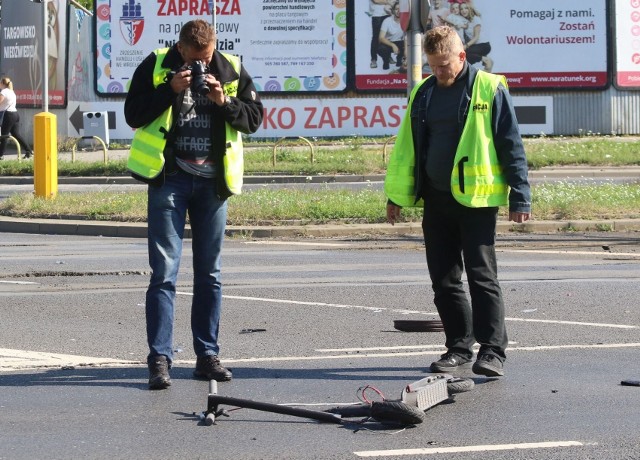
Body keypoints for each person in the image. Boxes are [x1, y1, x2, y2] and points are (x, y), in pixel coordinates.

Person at [384, 25, 531, 377]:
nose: (439, 72)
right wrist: (395, 196)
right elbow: (408, 148)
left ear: (462, 56)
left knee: (482, 277)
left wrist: (520, 197)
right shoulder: (423, 92)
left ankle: (492, 351)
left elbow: (511, 144)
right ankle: (458, 348)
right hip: (437, 199)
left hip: (477, 201)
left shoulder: (489, 88)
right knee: (444, 280)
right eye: (433, 66)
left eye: (444, 65)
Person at [124, 19, 263, 390]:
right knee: (164, 274)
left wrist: (223, 101)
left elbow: (254, 120)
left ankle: (207, 355)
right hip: (170, 179)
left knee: (210, 274)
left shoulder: (230, 67)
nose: (204, 63)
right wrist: (170, 89)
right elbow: (133, 115)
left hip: (212, 184)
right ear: (181, 48)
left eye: (208, 55)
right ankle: (160, 359)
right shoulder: (155, 65)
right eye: (197, 57)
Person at [0, 77, 33, 160]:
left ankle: (0, 155)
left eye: (0, 82)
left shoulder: (4, 92)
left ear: (3, 83)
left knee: (4, 135)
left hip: (8, 115)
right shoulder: (12, 92)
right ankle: (28, 150)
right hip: (15, 114)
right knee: (16, 134)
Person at [459, 1, 493, 72]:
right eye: (461, 9)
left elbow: (476, 37)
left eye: (466, 8)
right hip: (476, 46)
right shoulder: (465, 21)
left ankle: (485, 60)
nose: (463, 11)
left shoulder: (475, 19)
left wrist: (465, 46)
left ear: (470, 9)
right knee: (463, 58)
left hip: (484, 45)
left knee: (464, 52)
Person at [378, 1, 406, 71]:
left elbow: (407, 38)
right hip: (388, 42)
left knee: (407, 45)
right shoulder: (387, 21)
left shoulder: (406, 21)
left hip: (400, 42)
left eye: (400, 9)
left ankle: (399, 59)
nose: (398, 11)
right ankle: (386, 60)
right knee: (381, 49)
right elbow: (381, 38)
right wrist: (393, 45)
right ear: (393, 10)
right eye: (396, 9)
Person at [368, 0, 391, 69]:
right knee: (376, 38)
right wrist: (388, 2)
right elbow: (376, 1)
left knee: (387, 37)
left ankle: (388, 56)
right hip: (377, 15)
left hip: (387, 13)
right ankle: (374, 59)